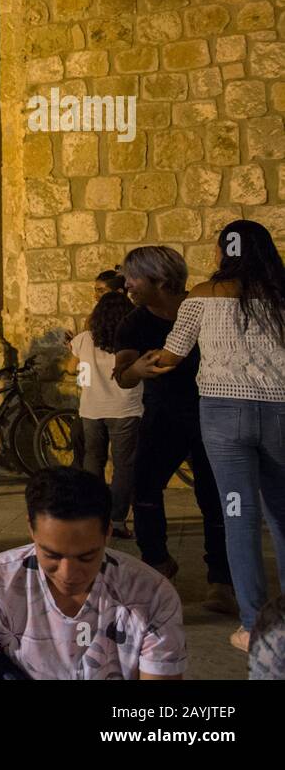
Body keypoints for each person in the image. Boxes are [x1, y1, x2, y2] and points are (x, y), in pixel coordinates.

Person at [136, 220, 285, 652]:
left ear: (225, 252)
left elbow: (172, 354)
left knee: (238, 517)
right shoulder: (280, 294)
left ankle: (255, 623)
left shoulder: (201, 296)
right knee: (281, 515)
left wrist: (143, 363)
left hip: (223, 417)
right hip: (279, 412)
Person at [0, 467, 186, 680]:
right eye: (52, 555)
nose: (69, 574)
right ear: (32, 529)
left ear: (108, 533)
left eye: (86, 557)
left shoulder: (153, 595)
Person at [111, 245, 235, 617]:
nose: (127, 284)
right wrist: (138, 371)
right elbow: (122, 373)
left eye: (134, 276)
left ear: (160, 280)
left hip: (211, 414)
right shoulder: (134, 322)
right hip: (162, 418)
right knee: (144, 490)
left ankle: (222, 580)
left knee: (214, 498)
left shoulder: (207, 307)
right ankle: (158, 563)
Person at [60, 291, 141, 539]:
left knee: (92, 461)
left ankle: (91, 516)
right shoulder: (134, 337)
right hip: (126, 408)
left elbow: (70, 369)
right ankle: (116, 521)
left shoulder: (85, 338)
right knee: (123, 466)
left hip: (92, 409)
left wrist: (77, 356)